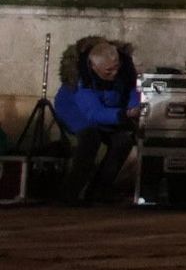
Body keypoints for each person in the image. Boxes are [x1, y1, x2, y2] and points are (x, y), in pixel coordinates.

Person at [55, 39, 141, 204]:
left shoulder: (126, 70)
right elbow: (93, 113)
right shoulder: (80, 79)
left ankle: (100, 190)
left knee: (124, 139)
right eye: (108, 71)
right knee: (90, 138)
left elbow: (132, 92)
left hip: (112, 109)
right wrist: (124, 114)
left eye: (117, 68)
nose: (114, 74)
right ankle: (70, 193)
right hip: (75, 110)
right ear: (93, 67)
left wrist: (133, 109)